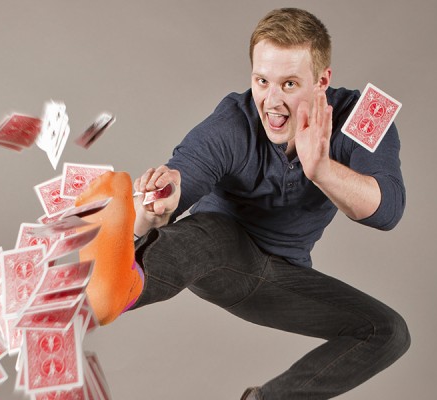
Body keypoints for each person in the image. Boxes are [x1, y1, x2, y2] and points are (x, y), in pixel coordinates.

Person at [78, 7, 410, 400]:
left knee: (388, 331)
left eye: (289, 84)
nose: (271, 101)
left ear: (322, 81)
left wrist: (320, 168)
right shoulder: (233, 121)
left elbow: (387, 210)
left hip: (285, 280)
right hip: (221, 258)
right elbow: (186, 174)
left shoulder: (362, 115)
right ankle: (120, 283)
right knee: (210, 232)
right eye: (262, 81)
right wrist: (156, 205)